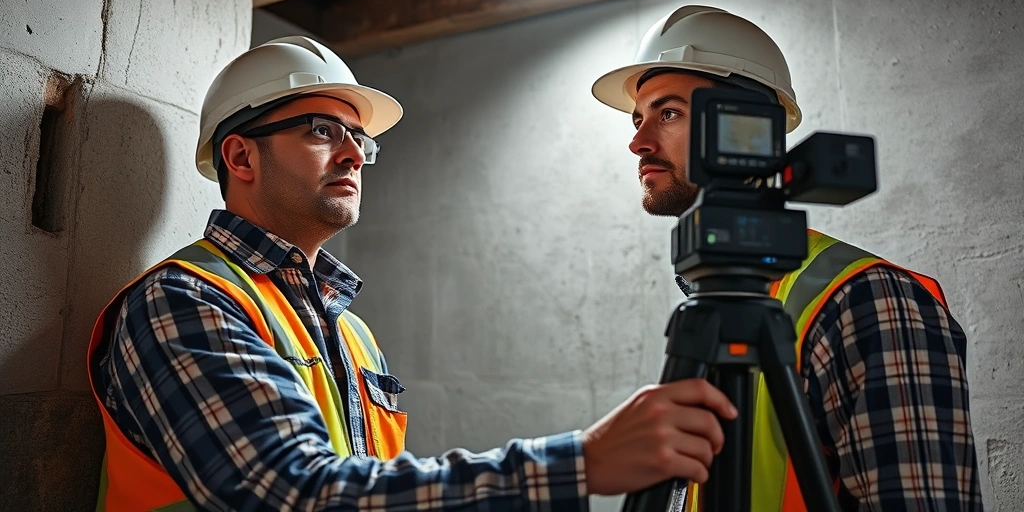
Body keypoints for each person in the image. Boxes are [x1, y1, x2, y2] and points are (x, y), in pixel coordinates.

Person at [86, 36, 739, 512]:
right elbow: (289, 494)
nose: (355, 155)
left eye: (359, 139)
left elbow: (374, 491)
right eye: (323, 131)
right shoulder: (182, 302)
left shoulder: (351, 335)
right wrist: (582, 462)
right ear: (240, 157)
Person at [591, 5, 984, 511]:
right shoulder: (716, 299)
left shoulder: (868, 299)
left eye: (668, 113)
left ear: (749, 125)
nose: (637, 143)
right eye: (638, 119)